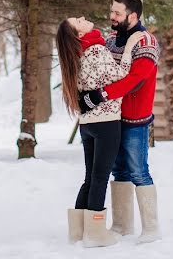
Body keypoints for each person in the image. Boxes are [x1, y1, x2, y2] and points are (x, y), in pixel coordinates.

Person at [78, 0, 161, 243]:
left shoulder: (147, 43)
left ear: (132, 16)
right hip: (111, 118)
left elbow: (134, 80)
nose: (111, 16)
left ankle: (151, 228)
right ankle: (123, 225)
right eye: (111, 11)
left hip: (135, 118)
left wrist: (99, 96)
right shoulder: (112, 39)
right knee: (118, 170)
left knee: (138, 169)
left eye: (117, 13)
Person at [57, 15, 134, 247]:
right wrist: (129, 46)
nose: (83, 18)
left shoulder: (76, 56)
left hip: (87, 125)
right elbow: (121, 76)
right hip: (106, 122)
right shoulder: (96, 51)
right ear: (79, 34)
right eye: (78, 21)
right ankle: (96, 234)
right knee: (99, 178)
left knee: (90, 178)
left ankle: (78, 232)